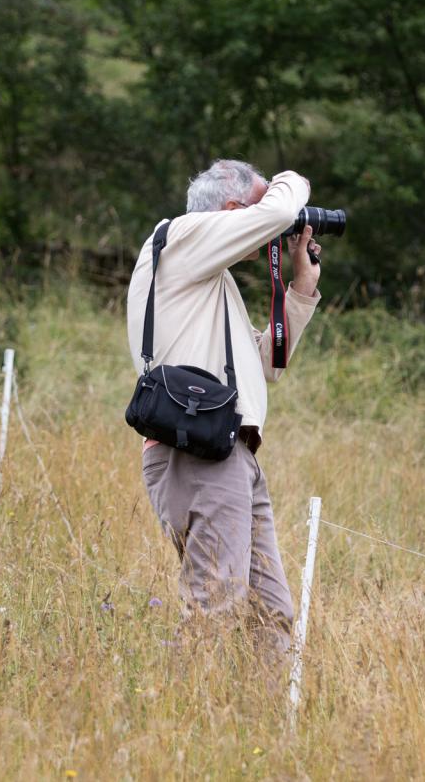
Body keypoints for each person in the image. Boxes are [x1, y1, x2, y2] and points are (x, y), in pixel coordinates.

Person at [125, 159, 323, 656]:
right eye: (261, 207)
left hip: (230, 453)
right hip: (195, 453)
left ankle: (263, 729)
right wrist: (292, 185)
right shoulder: (183, 238)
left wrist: (301, 285)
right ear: (232, 210)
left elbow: (267, 364)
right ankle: (181, 725)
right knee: (215, 605)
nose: (278, 222)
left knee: (270, 612)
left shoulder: (212, 280)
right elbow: (276, 211)